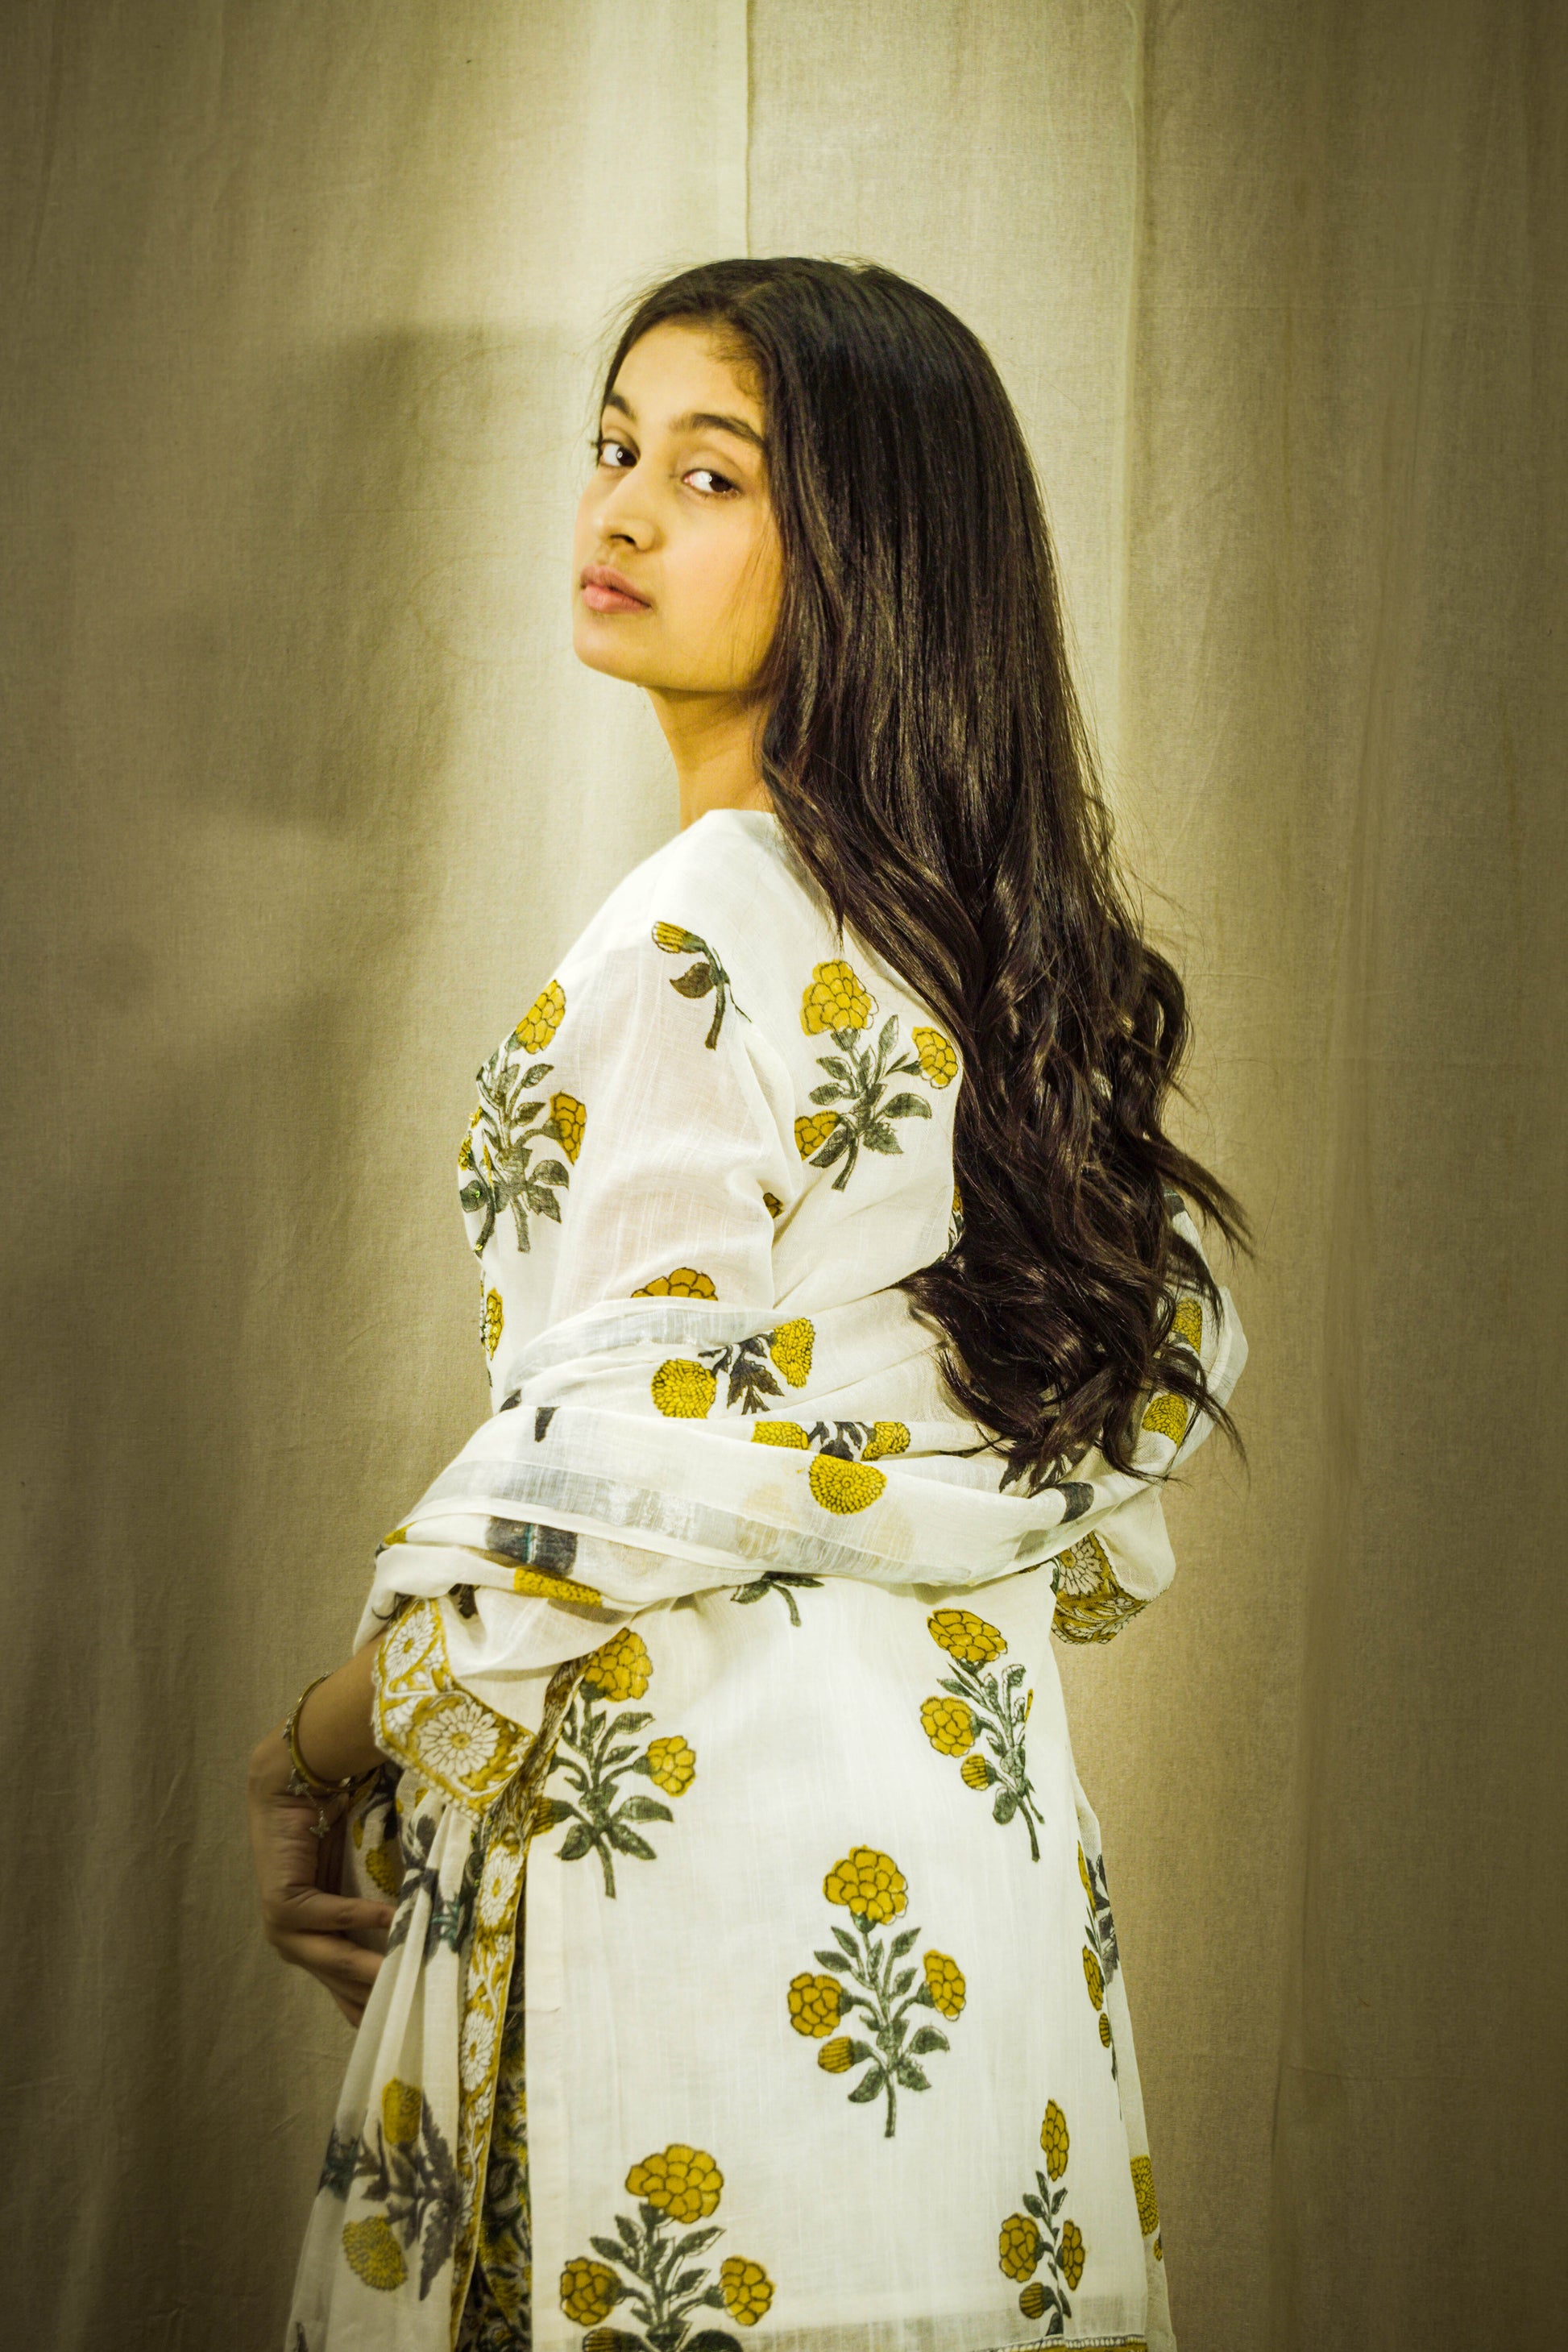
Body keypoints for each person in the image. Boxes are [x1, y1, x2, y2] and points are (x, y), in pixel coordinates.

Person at [248, 256, 1251, 2352]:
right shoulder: (1001, 964)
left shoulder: (696, 933)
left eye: (709, 475)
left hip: (690, 1911)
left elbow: (600, 1504)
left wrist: (307, 1749)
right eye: (614, 449)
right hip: (962, 1919)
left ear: (877, 551)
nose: (617, 509)